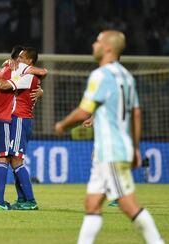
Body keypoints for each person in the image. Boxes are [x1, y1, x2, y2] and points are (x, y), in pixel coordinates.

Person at [54, 30, 164, 244]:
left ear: (108, 48)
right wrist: (136, 148)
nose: (93, 44)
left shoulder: (100, 75)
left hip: (111, 151)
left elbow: (84, 112)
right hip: (114, 150)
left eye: (97, 41)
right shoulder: (127, 76)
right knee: (92, 204)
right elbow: (137, 113)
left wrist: (62, 125)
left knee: (128, 205)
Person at [0, 45, 46, 210]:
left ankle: (29, 201)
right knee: (4, 159)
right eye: (17, 57)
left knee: (14, 159)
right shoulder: (20, 73)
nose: (18, 60)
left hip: (19, 119)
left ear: (29, 61)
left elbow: (41, 73)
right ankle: (20, 199)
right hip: (8, 119)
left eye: (22, 58)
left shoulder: (28, 76)